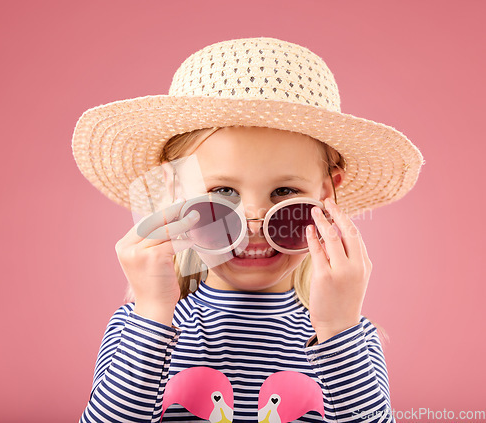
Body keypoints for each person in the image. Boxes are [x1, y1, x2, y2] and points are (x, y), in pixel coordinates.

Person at [72, 37, 424, 422]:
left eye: (285, 192)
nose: (254, 223)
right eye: (223, 192)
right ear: (177, 195)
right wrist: (153, 312)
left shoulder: (348, 335)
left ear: (326, 195)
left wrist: (338, 329)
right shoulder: (138, 325)